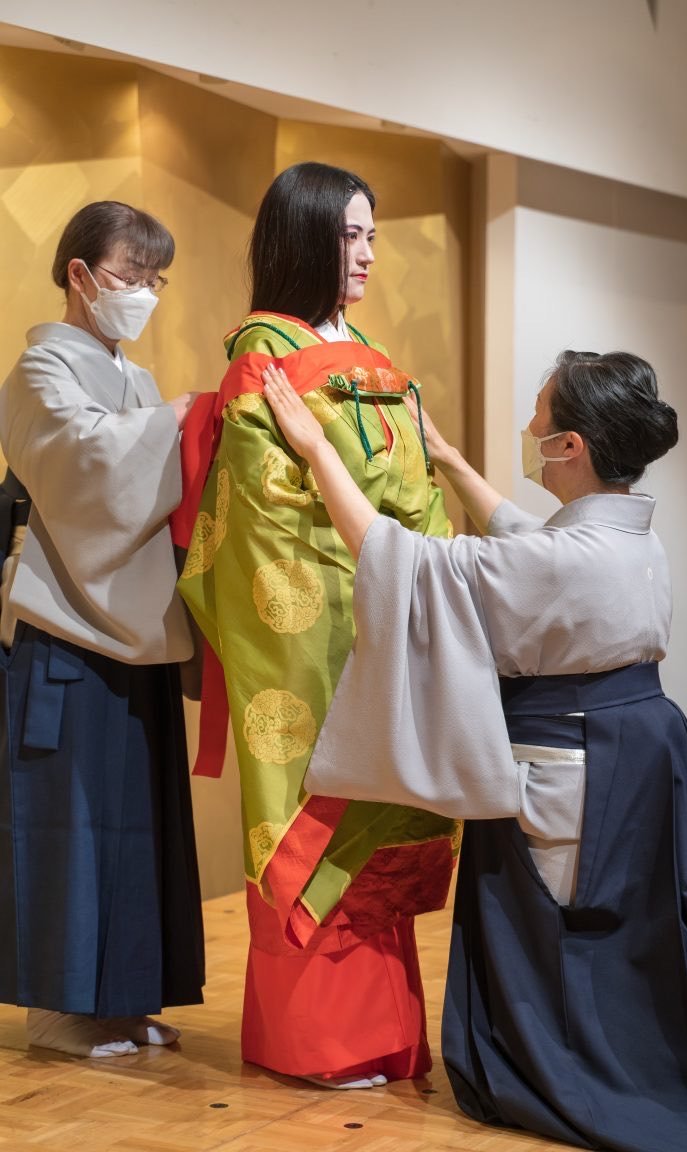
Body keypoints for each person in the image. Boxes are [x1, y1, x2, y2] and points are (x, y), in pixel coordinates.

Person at [261, 350, 687, 1150]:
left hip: (572, 764)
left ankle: (580, 1071)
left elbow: (409, 568)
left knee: (573, 929)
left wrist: (317, 449)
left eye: (541, 415)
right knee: (631, 928)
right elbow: (523, 540)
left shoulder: (561, 560)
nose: (530, 425)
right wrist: (452, 462)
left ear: (571, 447)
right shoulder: (628, 539)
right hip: (639, 751)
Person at [174, 162, 459, 1089]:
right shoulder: (260, 355)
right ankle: (317, 1045)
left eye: (374, 235)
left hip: (391, 621)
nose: (369, 254)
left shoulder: (372, 356)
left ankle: (387, 1036)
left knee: (387, 837)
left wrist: (422, 573)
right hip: (317, 642)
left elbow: (416, 493)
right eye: (350, 235)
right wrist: (378, 572)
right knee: (321, 824)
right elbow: (264, 527)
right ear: (304, 240)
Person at [0, 201, 205, 1059]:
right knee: (73, 822)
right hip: (66, 630)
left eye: (156, 281)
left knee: (139, 819)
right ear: (80, 275)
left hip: (134, 625)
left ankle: (125, 998)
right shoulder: (37, 372)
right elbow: (89, 469)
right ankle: (72, 1006)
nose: (143, 295)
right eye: (129, 277)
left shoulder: (139, 381)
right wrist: (190, 415)